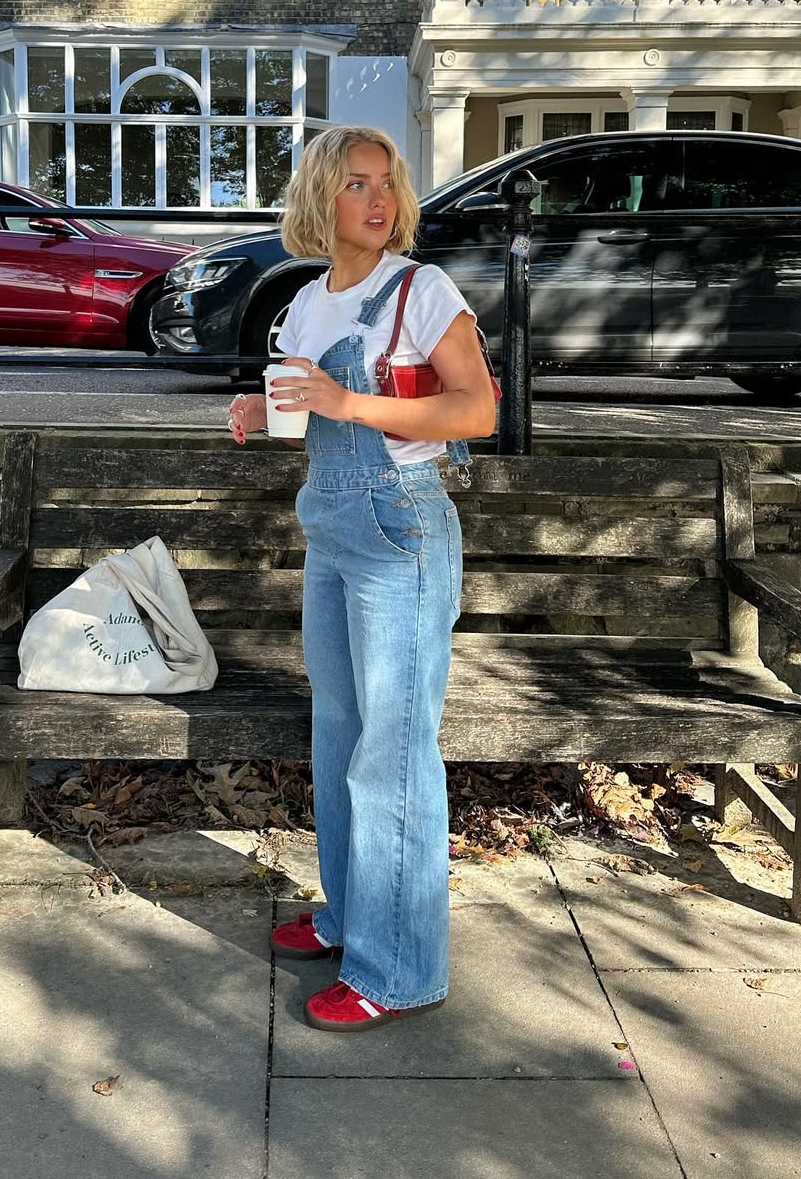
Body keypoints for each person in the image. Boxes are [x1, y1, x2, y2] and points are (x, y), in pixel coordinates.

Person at [227, 126, 496, 1032]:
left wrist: (347, 400)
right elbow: (309, 413)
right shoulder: (308, 303)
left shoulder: (421, 290)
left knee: (394, 748)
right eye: (355, 183)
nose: (377, 200)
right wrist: (260, 407)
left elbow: (477, 409)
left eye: (386, 183)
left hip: (399, 525)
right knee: (340, 731)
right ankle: (350, 919)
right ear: (320, 196)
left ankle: (399, 968)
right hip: (333, 528)